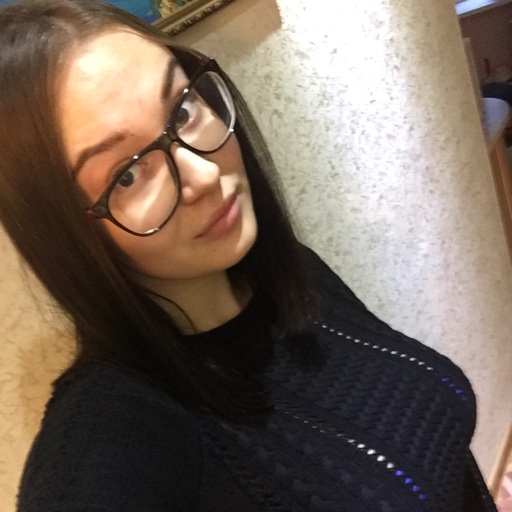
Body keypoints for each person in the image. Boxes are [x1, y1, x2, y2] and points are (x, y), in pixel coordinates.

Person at [0, 1, 497, 511]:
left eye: (182, 111)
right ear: (66, 234)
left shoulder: (291, 274)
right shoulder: (110, 435)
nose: (204, 174)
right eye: (127, 175)